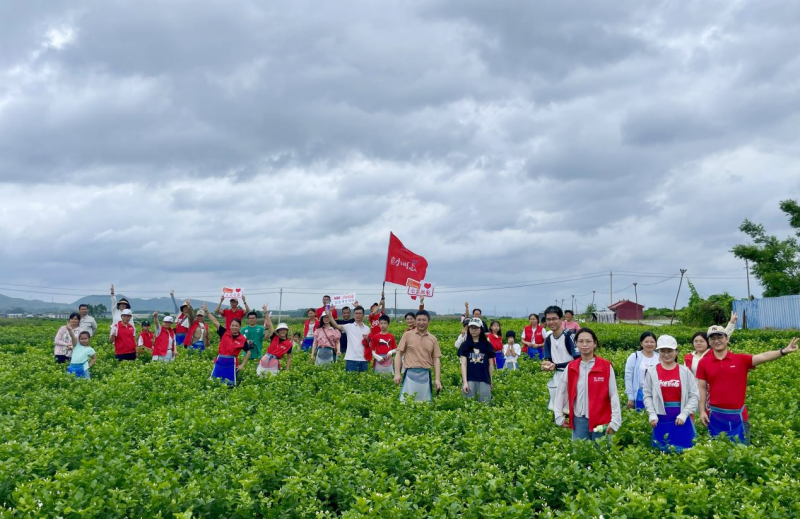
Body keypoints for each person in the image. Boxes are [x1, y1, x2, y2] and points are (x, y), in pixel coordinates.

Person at [697, 325, 798, 444]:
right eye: (712, 338)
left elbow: (763, 356)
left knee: (742, 451)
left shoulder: (740, 359)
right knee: (716, 451)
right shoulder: (704, 362)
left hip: (738, 414)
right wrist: (702, 411)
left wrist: (783, 351)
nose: (717, 340)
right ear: (709, 342)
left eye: (720, 337)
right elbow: (702, 388)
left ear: (727, 339)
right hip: (715, 414)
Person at [553, 327, 623, 441]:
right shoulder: (571, 367)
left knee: (601, 454)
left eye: (588, 341)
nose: (584, 344)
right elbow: (561, 391)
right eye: (580, 341)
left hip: (601, 420)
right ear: (576, 344)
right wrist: (558, 415)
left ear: (595, 343)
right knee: (580, 455)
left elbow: (613, 394)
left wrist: (615, 421)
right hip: (579, 420)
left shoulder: (605, 366)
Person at [642, 335, 699, 452]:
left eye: (670, 351)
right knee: (661, 452)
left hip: (682, 419)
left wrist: (684, 414)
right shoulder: (652, 372)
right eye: (663, 351)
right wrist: (652, 414)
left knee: (685, 452)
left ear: (676, 352)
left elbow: (694, 395)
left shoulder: (685, 371)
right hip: (660, 418)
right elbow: (647, 395)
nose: (666, 354)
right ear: (659, 352)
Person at [394, 310, 442, 402]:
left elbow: (436, 359)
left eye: (424, 320)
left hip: (425, 374)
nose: (421, 322)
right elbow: (398, 354)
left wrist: (437, 379)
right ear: (415, 321)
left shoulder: (433, 339)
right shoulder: (407, 335)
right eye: (419, 320)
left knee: (425, 404)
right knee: (406, 403)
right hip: (410, 373)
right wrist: (397, 373)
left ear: (429, 322)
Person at [541, 306, 580, 411]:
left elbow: (578, 360)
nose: (551, 322)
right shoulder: (548, 339)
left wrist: (556, 365)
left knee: (572, 412)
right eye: (548, 319)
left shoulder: (569, 336)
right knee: (557, 412)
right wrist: (547, 364)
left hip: (572, 378)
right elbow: (549, 359)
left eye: (554, 319)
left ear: (561, 320)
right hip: (557, 379)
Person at [205, 307, 253, 385]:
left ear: (239, 327)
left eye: (236, 326)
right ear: (230, 326)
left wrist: (242, 365)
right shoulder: (224, 333)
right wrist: (207, 311)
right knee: (215, 383)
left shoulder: (242, 339)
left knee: (230, 385)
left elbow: (248, 352)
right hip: (220, 361)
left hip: (232, 364)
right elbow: (215, 322)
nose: (234, 327)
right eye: (232, 325)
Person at [459, 318, 495, 402]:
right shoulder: (465, 345)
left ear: (481, 329)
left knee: (485, 405)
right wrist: (465, 382)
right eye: (471, 328)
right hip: (470, 379)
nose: (473, 330)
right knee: (469, 405)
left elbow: (491, 364)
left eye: (476, 328)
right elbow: (463, 364)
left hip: (484, 379)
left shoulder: (487, 345)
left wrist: (490, 380)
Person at [329, 305, 372, 372]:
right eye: (356, 313)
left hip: (364, 359)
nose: (358, 315)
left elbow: (369, 344)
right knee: (350, 380)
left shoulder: (367, 328)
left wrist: (368, 339)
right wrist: (330, 314)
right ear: (354, 315)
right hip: (351, 359)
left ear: (363, 315)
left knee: (364, 381)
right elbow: (336, 326)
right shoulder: (349, 326)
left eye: (360, 313)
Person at [624, 332, 659, 410]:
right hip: (639, 394)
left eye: (652, 342)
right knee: (641, 418)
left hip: (656, 394)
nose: (649, 344)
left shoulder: (659, 357)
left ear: (656, 344)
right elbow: (628, 377)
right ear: (641, 343)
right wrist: (631, 397)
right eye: (646, 342)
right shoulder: (634, 357)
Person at [257, 310, 294, 376]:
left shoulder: (289, 344)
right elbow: (270, 324)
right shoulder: (275, 337)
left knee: (272, 378)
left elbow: (289, 358)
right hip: (265, 360)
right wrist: (265, 312)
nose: (282, 331)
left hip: (274, 363)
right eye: (281, 330)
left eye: (284, 330)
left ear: (287, 331)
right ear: (278, 331)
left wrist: (287, 370)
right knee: (260, 376)